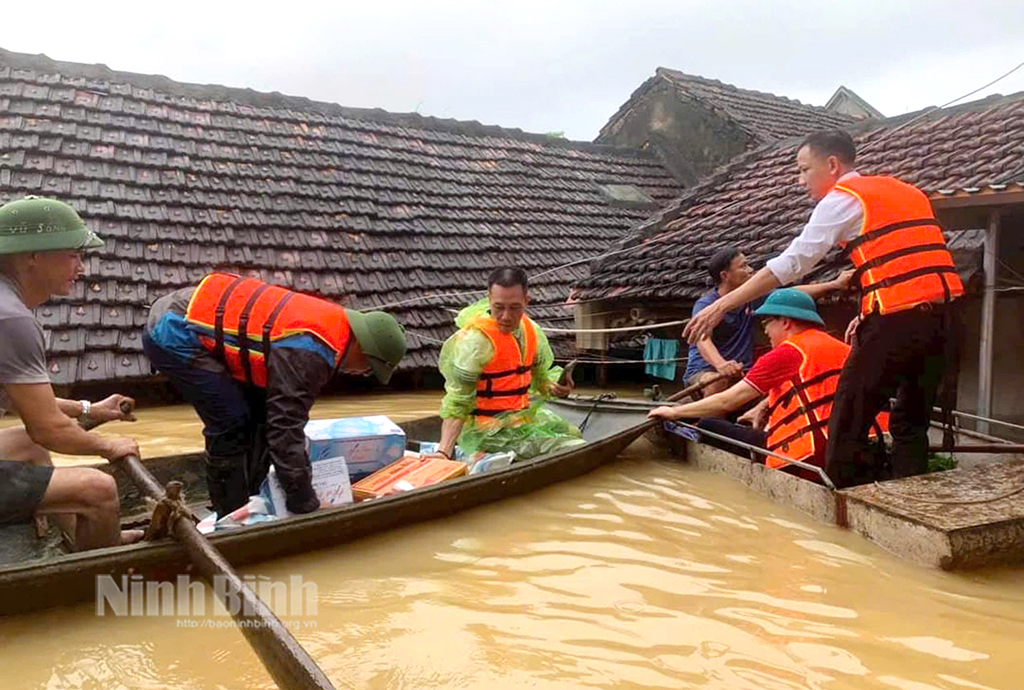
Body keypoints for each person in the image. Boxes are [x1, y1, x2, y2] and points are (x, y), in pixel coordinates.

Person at [683, 129, 962, 487]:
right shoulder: (908, 192)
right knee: (910, 422)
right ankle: (909, 499)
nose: (800, 181)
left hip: (895, 323)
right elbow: (912, 260)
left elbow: (792, 263)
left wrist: (721, 305)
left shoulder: (843, 197)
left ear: (832, 165)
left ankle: (841, 507)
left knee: (847, 421)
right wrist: (867, 309)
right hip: (947, 318)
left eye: (803, 169)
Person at [142, 272, 408, 517]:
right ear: (362, 348)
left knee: (257, 415)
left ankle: (255, 496)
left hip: (192, 319)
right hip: (174, 329)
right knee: (231, 423)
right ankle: (231, 515)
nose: (360, 374)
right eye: (366, 368)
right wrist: (304, 503)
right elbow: (286, 427)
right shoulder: (311, 349)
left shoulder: (330, 331)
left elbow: (274, 420)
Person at [0, 197, 141, 550]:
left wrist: (89, 410)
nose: (81, 267)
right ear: (32, 256)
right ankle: (98, 576)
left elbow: (28, 403)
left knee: (27, 445)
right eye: (72, 254)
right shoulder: (11, 318)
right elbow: (47, 428)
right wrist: (109, 445)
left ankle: (85, 537)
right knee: (100, 489)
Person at [651, 289, 887, 481]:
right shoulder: (840, 347)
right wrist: (763, 405)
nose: (764, 331)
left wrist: (674, 411)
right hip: (864, 446)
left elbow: (727, 401)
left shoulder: (787, 353)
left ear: (785, 322)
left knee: (709, 424)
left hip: (810, 457)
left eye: (766, 322)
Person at [427, 267, 584, 462]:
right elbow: (457, 401)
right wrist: (444, 451)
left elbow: (541, 378)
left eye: (514, 307)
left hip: (521, 421)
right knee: (576, 447)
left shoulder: (532, 331)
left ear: (527, 301)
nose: (506, 316)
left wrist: (555, 387)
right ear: (489, 300)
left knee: (574, 432)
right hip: (487, 431)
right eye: (499, 307)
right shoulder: (476, 342)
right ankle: (480, 454)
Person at [684, 248, 852, 397]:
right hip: (705, 370)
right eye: (743, 266)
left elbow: (791, 293)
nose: (750, 270)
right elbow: (702, 339)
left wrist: (834, 284)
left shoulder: (751, 298)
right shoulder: (707, 305)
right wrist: (721, 365)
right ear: (725, 275)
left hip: (741, 371)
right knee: (715, 382)